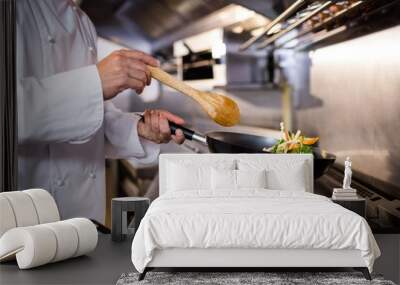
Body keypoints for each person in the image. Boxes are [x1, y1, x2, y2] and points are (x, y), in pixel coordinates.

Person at [16, 0, 185, 222]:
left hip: (85, 220)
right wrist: (95, 82)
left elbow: (87, 115)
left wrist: (138, 128)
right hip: (26, 222)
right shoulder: (14, 10)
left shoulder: (84, 23)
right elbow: (13, 112)